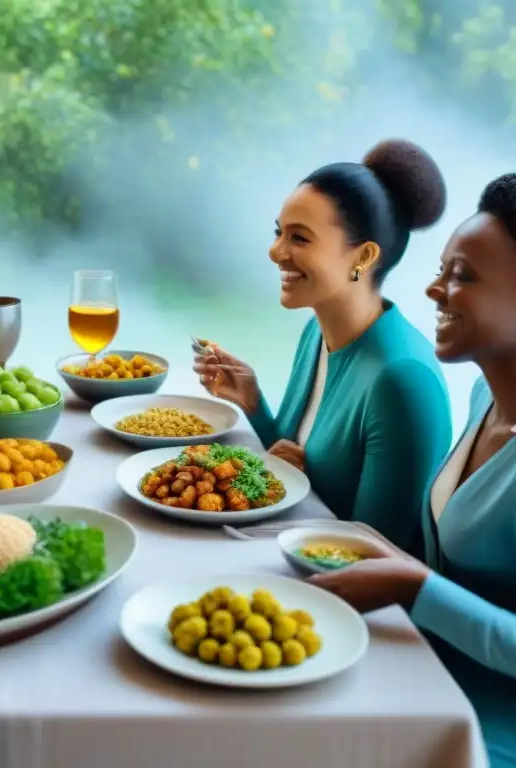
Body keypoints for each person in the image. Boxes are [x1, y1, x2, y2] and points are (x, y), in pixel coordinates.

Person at [309, 173, 516, 768]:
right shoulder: (484, 397)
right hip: (425, 674)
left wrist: (415, 587)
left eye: (461, 277)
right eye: (441, 269)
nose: (433, 290)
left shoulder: (404, 373)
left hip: (485, 730)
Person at [193, 139, 452, 554]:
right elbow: (294, 462)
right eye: (279, 232)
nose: (276, 251)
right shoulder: (317, 332)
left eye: (299, 238)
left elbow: (367, 553)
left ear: (364, 256)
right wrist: (253, 403)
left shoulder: (403, 380)